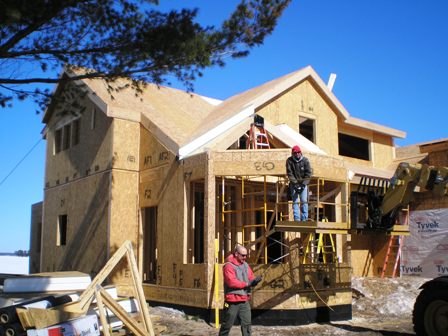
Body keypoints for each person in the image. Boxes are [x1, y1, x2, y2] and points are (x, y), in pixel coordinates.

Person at [218, 245, 262, 336]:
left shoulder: (245, 265)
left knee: (247, 325)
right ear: (236, 254)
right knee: (227, 325)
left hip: (244, 300)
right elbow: (231, 282)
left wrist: (254, 281)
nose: (245, 257)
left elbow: (250, 277)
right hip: (232, 301)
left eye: (246, 255)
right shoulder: (228, 266)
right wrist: (247, 284)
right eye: (243, 255)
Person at [286, 145, 312, 221]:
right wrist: (296, 184)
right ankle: (297, 219)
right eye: (295, 153)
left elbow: (308, 174)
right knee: (295, 201)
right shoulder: (289, 161)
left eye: (298, 152)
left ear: (300, 152)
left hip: (303, 184)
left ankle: (304, 219)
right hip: (294, 185)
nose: (297, 154)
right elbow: (289, 173)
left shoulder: (305, 161)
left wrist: (303, 185)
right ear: (292, 154)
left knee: (304, 200)